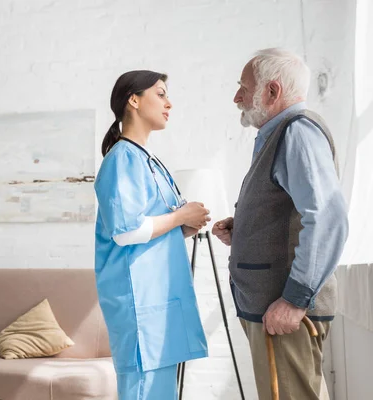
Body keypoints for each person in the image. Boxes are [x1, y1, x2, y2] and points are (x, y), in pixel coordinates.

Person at [213, 48, 349, 400]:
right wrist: (243, 228)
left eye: (244, 87)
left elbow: (327, 218)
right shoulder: (282, 134)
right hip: (277, 310)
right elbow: (290, 210)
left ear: (271, 92)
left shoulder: (297, 133)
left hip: (286, 311)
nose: (237, 97)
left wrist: (295, 299)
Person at [94, 70, 210, 400]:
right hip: (139, 303)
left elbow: (148, 227)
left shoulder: (147, 160)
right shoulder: (121, 159)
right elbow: (126, 232)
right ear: (134, 100)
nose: (168, 103)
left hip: (157, 299)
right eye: (160, 94)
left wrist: (181, 226)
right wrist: (178, 216)